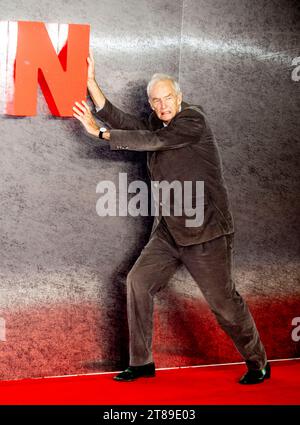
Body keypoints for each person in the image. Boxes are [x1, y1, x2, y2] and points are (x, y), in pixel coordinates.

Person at [72, 52, 270, 384]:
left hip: (205, 233)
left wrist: (101, 134)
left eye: (168, 98)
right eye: (156, 101)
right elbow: (127, 123)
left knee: (223, 305)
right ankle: (142, 363)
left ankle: (257, 361)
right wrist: (91, 83)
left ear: (179, 97)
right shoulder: (156, 120)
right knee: (138, 281)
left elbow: (156, 141)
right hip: (168, 230)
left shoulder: (193, 121)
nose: (163, 106)